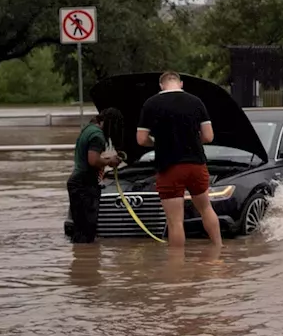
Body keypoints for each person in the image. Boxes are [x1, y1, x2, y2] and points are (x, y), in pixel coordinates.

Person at [136, 71, 222, 247]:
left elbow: (141, 139)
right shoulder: (196, 102)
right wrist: (191, 139)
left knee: (175, 221)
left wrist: (157, 142)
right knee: (206, 209)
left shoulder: (151, 104)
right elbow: (209, 136)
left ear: (161, 85)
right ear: (181, 83)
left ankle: (177, 266)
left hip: (169, 166)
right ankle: (219, 249)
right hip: (196, 164)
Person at [67, 107, 125, 243]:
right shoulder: (97, 135)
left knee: (80, 228)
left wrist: (104, 159)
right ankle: (86, 259)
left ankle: (82, 259)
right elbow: (93, 160)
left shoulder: (88, 129)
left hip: (76, 182)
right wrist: (110, 161)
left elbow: (91, 156)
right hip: (84, 185)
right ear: (109, 123)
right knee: (87, 228)